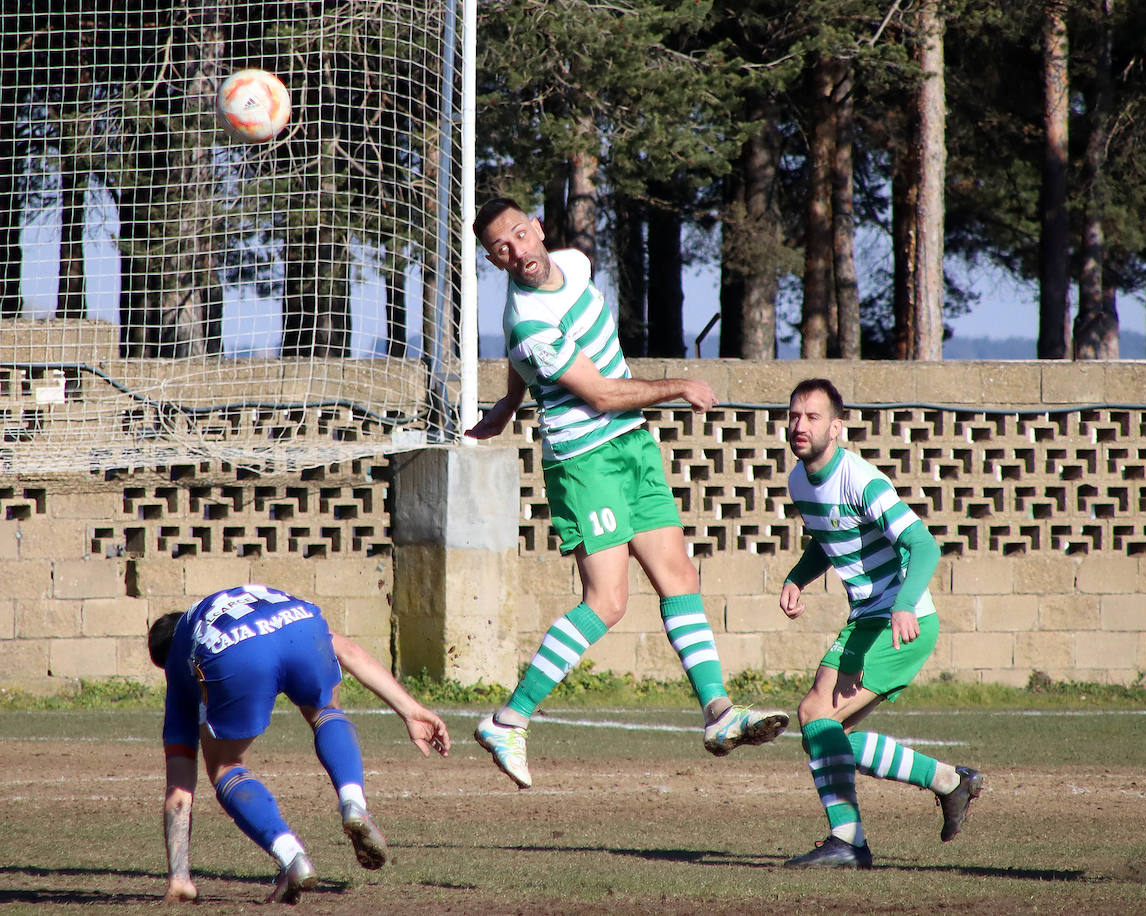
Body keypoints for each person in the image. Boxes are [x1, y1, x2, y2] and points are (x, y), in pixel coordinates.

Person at [464, 197, 787, 788]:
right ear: (494, 259)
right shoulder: (531, 325)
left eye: (518, 235)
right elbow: (603, 395)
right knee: (607, 601)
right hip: (586, 459)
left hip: (631, 446)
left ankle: (718, 715)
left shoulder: (575, 264)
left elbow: (519, 360)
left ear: (537, 228)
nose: (514, 252)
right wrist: (680, 384)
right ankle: (509, 720)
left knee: (679, 579)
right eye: (500, 250)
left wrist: (510, 400)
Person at [778, 378, 983, 869]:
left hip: (899, 622)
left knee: (814, 713)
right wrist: (797, 578)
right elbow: (826, 538)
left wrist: (905, 604)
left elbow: (923, 544)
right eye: (794, 416)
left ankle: (848, 842)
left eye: (812, 417)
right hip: (866, 620)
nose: (799, 425)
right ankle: (949, 782)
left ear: (837, 427)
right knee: (828, 736)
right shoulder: (799, 480)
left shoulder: (861, 479)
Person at [148, 584, 451, 904]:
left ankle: (292, 857)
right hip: (300, 625)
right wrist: (411, 710)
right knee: (325, 712)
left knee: (226, 767)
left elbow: (179, 793)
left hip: (234, 655)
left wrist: (179, 877)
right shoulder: (230, 601)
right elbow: (349, 652)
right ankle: (353, 803)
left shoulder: (182, 656)